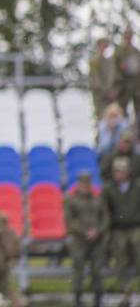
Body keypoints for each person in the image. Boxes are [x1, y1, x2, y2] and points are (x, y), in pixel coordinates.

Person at [64, 171, 107, 307]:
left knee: (97, 270)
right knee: (78, 270)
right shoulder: (70, 200)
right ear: (78, 184)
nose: (85, 187)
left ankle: (98, 300)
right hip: (78, 240)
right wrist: (84, 232)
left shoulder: (98, 198)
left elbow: (105, 217)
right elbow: (69, 221)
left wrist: (98, 231)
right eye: (82, 184)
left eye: (87, 184)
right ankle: (78, 299)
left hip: (97, 240)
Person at [101, 157, 140, 307]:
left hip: (136, 226)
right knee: (120, 258)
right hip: (117, 228)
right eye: (116, 171)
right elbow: (104, 211)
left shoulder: (137, 186)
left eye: (122, 171)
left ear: (128, 172)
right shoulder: (108, 188)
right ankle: (124, 292)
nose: (119, 174)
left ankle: (136, 288)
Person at [89, 38, 119, 119]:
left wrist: (113, 90)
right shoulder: (95, 61)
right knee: (101, 117)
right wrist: (106, 91)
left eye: (106, 45)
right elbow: (96, 80)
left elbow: (113, 77)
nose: (105, 47)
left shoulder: (109, 60)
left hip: (110, 95)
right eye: (103, 45)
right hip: (100, 95)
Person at [116, 27, 140, 123]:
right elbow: (114, 67)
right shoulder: (119, 51)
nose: (129, 39)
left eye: (130, 37)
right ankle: (123, 130)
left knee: (138, 108)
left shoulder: (135, 51)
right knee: (122, 108)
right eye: (127, 37)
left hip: (136, 84)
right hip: (124, 85)